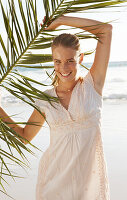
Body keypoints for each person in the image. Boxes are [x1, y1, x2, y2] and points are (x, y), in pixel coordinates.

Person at [0, 15, 112, 199]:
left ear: (81, 58)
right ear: (52, 61)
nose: (63, 68)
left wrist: (60, 20)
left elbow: (105, 30)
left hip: (90, 188)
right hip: (54, 185)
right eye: (57, 61)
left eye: (70, 60)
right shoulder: (46, 100)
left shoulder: (93, 86)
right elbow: (24, 136)